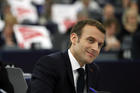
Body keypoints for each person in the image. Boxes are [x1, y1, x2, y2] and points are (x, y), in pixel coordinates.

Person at [27, 19, 105, 93]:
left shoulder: (93, 70)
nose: (95, 48)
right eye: (90, 40)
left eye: (99, 45)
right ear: (74, 38)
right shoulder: (49, 64)